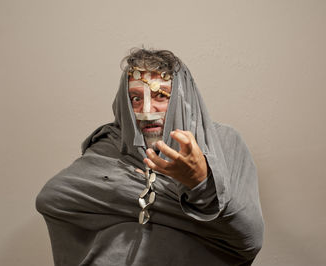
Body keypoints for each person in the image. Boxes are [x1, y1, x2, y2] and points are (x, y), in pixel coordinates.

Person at [36, 48, 264, 266]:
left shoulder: (223, 143)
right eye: (135, 99)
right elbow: (52, 199)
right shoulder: (112, 144)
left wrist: (201, 185)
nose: (146, 110)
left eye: (161, 95)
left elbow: (247, 239)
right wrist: (170, 195)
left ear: (182, 99)